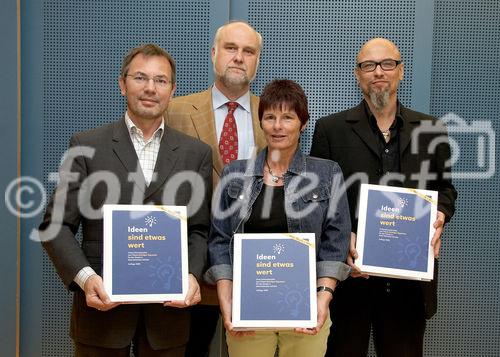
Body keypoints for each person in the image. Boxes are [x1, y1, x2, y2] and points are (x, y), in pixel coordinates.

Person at [39, 44, 212, 356]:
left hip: (167, 318)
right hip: (101, 314)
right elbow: (56, 226)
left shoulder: (195, 153)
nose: (150, 88)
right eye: (140, 77)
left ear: (172, 90)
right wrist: (86, 278)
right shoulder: (86, 146)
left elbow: (199, 230)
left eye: (161, 80)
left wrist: (191, 276)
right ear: (122, 84)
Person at [310, 38, 457, 357]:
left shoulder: (431, 129)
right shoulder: (330, 130)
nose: (378, 72)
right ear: (357, 74)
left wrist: (440, 214)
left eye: (387, 64)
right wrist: (339, 236)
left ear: (401, 71)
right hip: (350, 281)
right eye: (368, 65)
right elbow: (317, 200)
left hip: (408, 282)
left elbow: (445, 190)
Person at [206, 79, 351, 357]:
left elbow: (337, 239)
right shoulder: (234, 174)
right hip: (247, 311)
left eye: (288, 117)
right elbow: (220, 240)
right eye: (270, 117)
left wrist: (323, 296)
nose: (277, 126)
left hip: (306, 310)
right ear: (261, 122)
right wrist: (227, 300)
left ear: (303, 123)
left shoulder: (327, 173)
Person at [165, 21, 266, 356]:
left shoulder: (273, 116)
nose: (238, 57)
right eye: (230, 48)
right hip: (190, 267)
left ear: (257, 61)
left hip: (255, 269)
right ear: (213, 54)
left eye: (248, 51)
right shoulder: (175, 110)